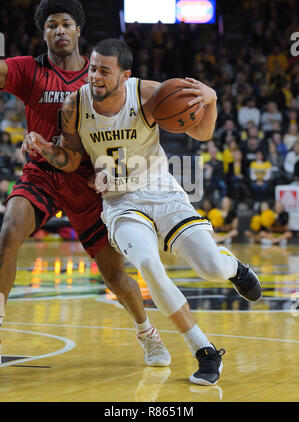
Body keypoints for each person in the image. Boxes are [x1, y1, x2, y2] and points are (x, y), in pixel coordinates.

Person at [25, 38, 262, 386]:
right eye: (91, 68)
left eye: (104, 71)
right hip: (120, 201)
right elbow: (73, 157)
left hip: (163, 191)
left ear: (125, 75)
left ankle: (232, 266)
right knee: (149, 265)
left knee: (211, 267)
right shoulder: (76, 104)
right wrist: (46, 149)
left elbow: (202, 131)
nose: (94, 77)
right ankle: (204, 350)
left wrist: (210, 100)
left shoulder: (151, 95)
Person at [0, 0, 170, 369]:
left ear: (78, 30)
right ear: (43, 35)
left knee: (114, 274)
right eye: (50, 26)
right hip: (43, 173)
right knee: (9, 231)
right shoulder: (30, 70)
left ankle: (148, 333)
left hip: (89, 182)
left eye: (65, 24)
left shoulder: (99, 76)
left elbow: (131, 116)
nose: (58, 31)